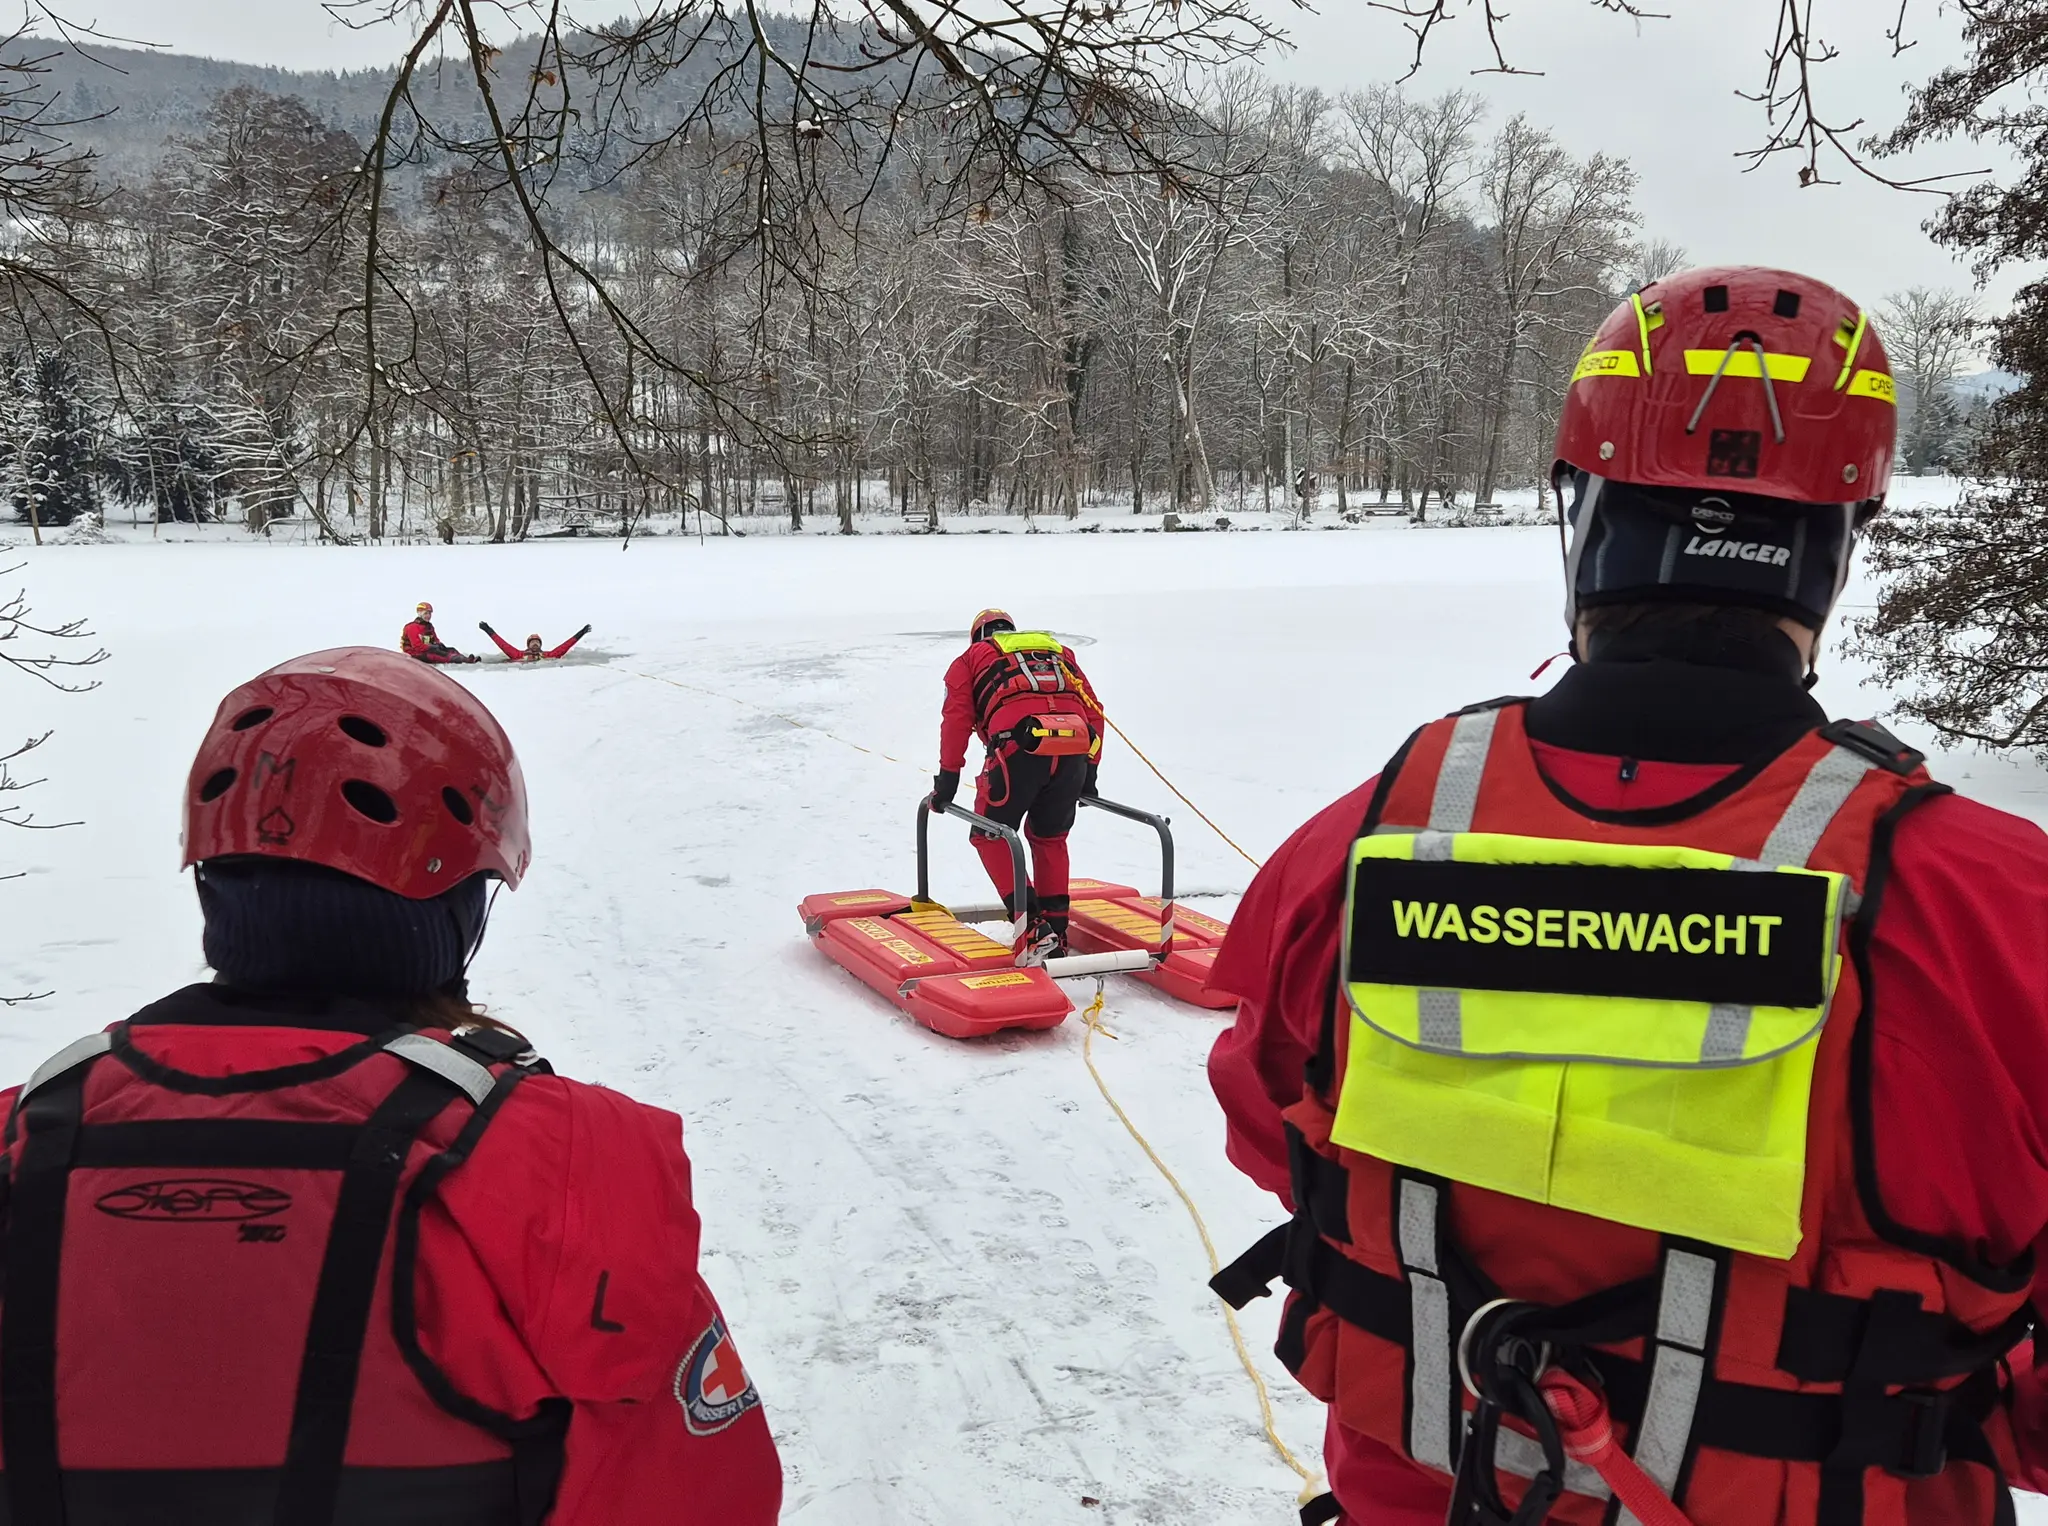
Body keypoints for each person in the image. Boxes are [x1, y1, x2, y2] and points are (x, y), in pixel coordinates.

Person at [1206, 267, 2048, 1526]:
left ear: (1583, 521)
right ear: (1833, 549)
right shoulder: (1992, 909)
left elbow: (1264, 1120)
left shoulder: (1365, 839)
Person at [0, 647, 781, 1524]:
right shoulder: (552, 1171)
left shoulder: (21, 1140)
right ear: (455, 911)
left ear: (214, 887)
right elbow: (704, 1496)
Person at [931, 608, 1105, 957]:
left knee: (989, 834)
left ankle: (1033, 927)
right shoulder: (1058, 654)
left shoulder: (969, 659)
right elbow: (1093, 712)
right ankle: (1056, 930)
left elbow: (956, 719)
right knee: (1050, 837)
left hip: (1017, 748)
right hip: (1073, 748)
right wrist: (1089, 772)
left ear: (977, 636)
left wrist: (948, 778)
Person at [403, 601, 480, 665]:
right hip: (416, 654)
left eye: (429, 613)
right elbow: (417, 646)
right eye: (426, 613)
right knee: (442, 656)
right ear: (420, 613)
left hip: (427, 650)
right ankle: (464, 661)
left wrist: (438, 644)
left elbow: (435, 639)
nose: (428, 616)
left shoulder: (429, 626)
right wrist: (431, 647)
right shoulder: (412, 627)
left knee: (451, 650)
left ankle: (465, 659)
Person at [481, 621, 592, 662]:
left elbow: (564, 646)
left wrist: (580, 633)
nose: (535, 643)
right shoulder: (519, 655)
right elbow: (503, 645)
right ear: (528, 645)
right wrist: (489, 631)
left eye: (537, 642)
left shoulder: (548, 655)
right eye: (532, 642)